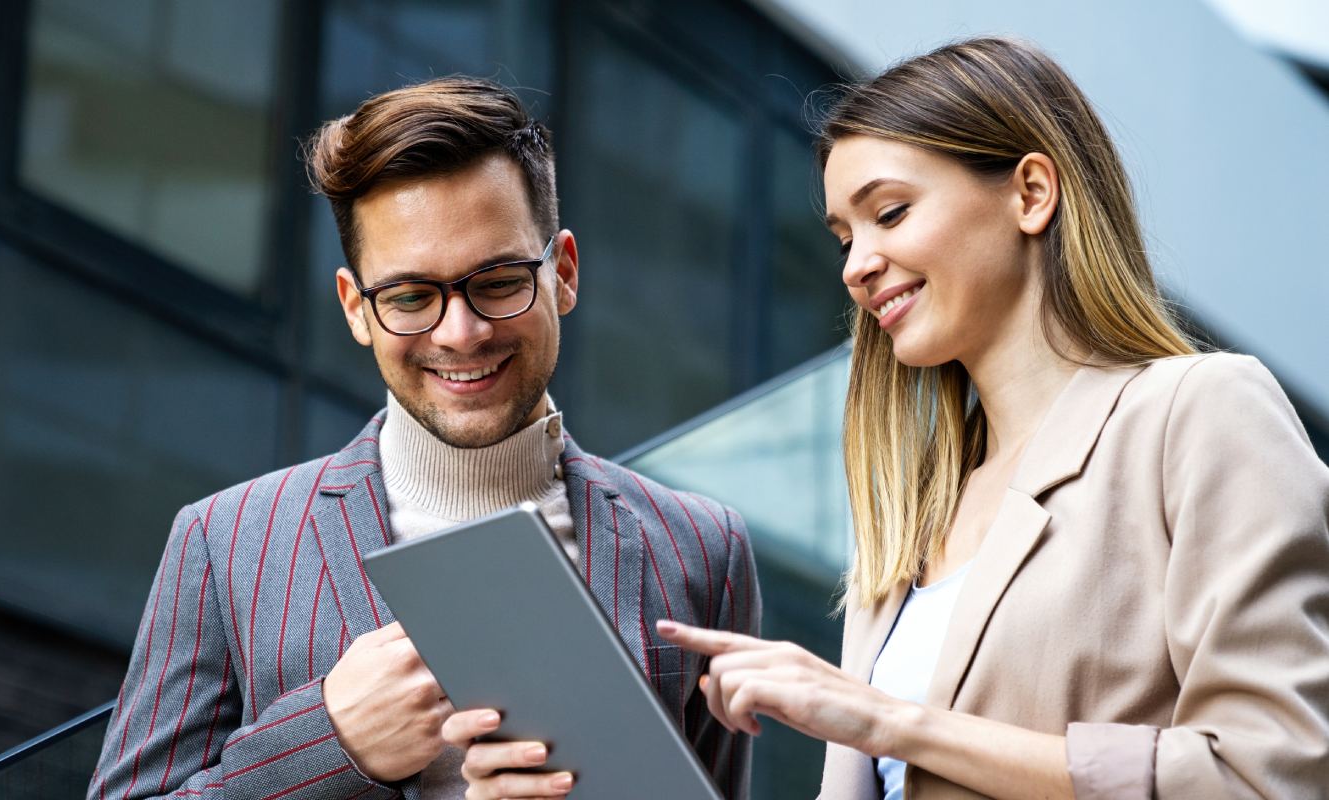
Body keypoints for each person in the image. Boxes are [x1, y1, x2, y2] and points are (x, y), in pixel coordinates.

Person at [655, 36, 1329, 800]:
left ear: (1032, 193)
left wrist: (888, 723)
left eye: (891, 212)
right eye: (845, 238)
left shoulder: (1198, 413)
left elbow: (1266, 773)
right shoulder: (908, 522)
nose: (856, 265)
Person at [87, 77, 759, 800]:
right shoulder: (225, 543)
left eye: (498, 281)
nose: (460, 333)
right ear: (356, 308)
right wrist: (330, 743)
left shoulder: (702, 549)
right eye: (410, 296)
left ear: (562, 273)